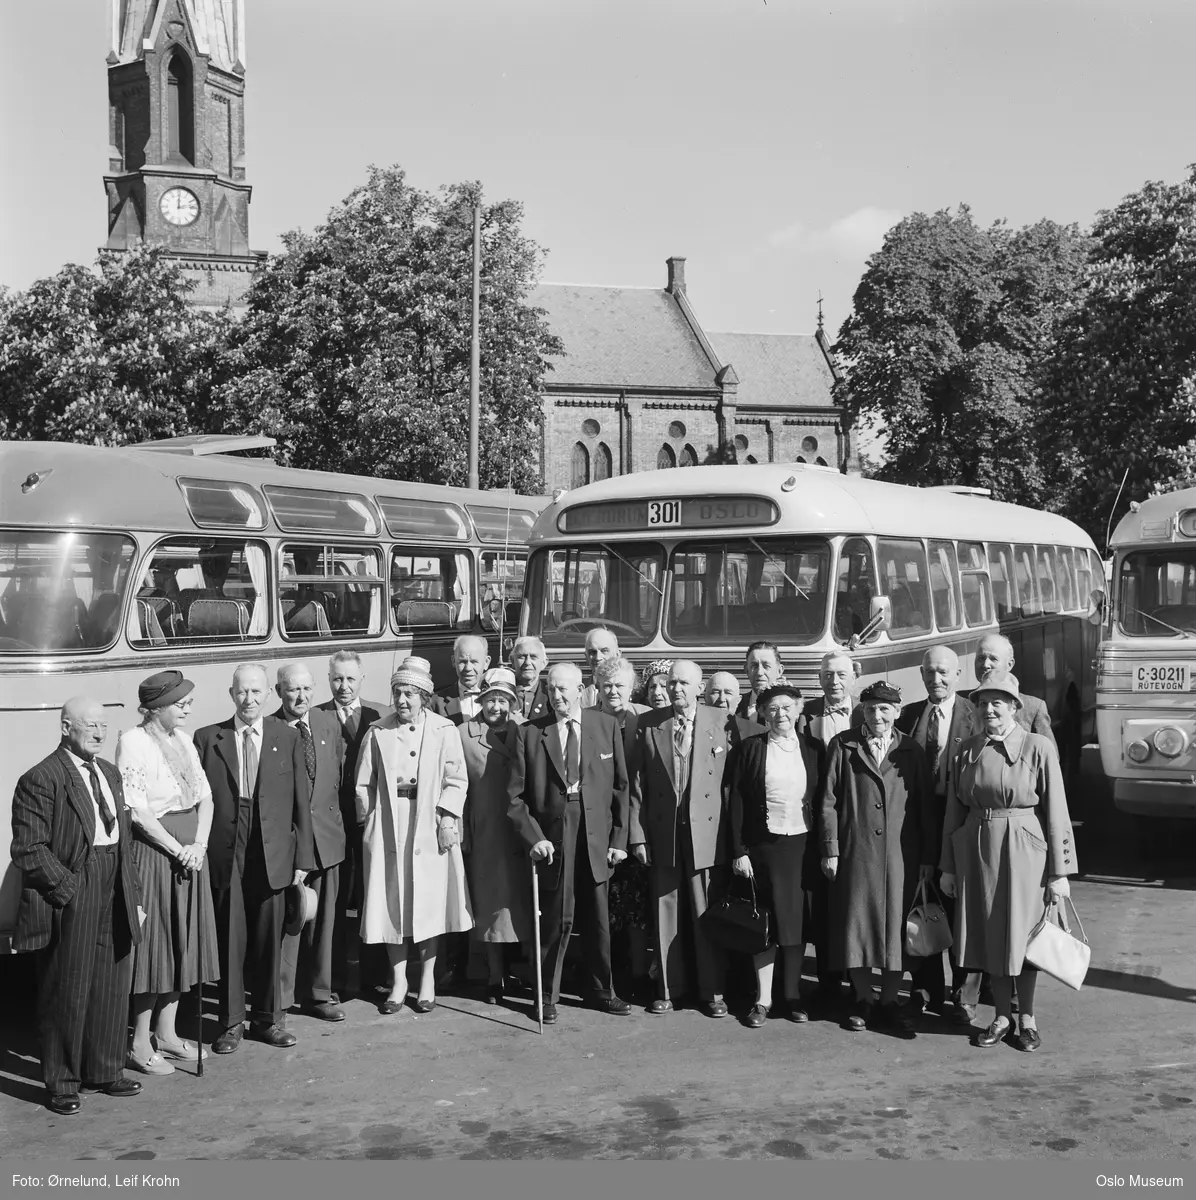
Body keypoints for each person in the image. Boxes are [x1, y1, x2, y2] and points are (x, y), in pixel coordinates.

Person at [11, 697, 145, 1114]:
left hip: (114, 882)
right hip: (75, 884)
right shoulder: (41, 777)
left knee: (111, 982)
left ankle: (104, 1070)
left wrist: (133, 894)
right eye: (90, 726)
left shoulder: (109, 772)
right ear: (66, 727)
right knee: (67, 985)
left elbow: (123, 840)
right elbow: (28, 849)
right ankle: (63, 1081)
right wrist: (68, 890)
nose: (100, 733)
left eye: (104, 726)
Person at [940, 672, 1077, 1053]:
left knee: (1025, 935)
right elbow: (953, 812)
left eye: (997, 702)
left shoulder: (1038, 748)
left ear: (1015, 706)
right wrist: (947, 866)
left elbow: (1057, 812)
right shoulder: (965, 749)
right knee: (989, 935)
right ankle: (1001, 1015)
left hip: (1026, 851)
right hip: (977, 851)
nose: (989, 709)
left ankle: (1027, 1018)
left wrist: (1060, 872)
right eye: (983, 703)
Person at [194, 664, 314, 1053]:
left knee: (269, 940)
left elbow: (301, 803)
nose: (249, 700)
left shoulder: (286, 736)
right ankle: (230, 1023)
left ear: (268, 695)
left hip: (273, 851)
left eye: (257, 692)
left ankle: (268, 1019)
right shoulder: (208, 738)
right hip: (228, 849)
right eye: (242, 692)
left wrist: (303, 858)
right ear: (232, 695)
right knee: (230, 938)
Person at [507, 662, 632, 1023]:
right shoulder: (529, 733)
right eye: (552, 690)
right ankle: (546, 995)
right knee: (557, 919)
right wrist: (534, 838)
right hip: (553, 836)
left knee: (598, 917)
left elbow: (621, 788)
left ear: (582, 690)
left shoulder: (606, 726)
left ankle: (600, 990)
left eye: (565, 689)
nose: (558, 696)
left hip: (596, 832)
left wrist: (619, 839)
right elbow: (515, 799)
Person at [356, 656, 473, 1015]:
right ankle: (399, 982)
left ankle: (427, 980)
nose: (402, 701)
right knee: (393, 902)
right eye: (397, 693)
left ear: (424, 696)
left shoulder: (443, 730)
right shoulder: (378, 731)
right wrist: (371, 822)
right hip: (391, 823)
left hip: (431, 823)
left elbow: (456, 779)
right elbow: (364, 783)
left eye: (409, 694)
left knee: (428, 904)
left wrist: (448, 820)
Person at [818, 681, 935, 1039]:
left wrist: (928, 859)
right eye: (870, 709)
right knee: (859, 925)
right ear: (862, 711)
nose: (877, 716)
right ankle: (863, 998)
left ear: (897, 712)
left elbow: (925, 809)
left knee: (896, 931)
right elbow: (827, 801)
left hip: (901, 856)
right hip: (858, 852)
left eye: (885, 709)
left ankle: (888, 1001)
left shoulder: (911, 751)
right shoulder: (844, 744)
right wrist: (831, 848)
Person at [116, 671, 220, 1076]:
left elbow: (206, 797)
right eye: (181, 702)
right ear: (157, 708)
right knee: (155, 946)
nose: (188, 708)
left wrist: (200, 846)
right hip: (159, 854)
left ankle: (168, 1033)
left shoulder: (182, 740)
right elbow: (138, 811)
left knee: (183, 942)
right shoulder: (134, 742)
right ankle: (139, 1044)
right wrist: (179, 850)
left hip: (191, 852)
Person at [630, 661, 735, 1019]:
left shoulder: (721, 722)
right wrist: (638, 836)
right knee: (666, 912)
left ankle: (713, 992)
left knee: (705, 912)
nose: (676, 689)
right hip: (663, 831)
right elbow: (636, 786)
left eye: (683, 683)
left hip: (706, 833)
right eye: (672, 682)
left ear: (698, 687)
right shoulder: (649, 723)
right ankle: (668, 989)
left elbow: (730, 786)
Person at [896, 647, 982, 1023]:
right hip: (917, 828)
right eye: (930, 672)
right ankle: (925, 989)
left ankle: (964, 996)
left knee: (964, 914)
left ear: (958, 674)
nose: (937, 679)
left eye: (944, 672)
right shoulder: (909, 715)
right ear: (921, 673)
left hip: (962, 828)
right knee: (922, 905)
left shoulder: (976, 716)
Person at [726, 684, 817, 1027]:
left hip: (801, 848)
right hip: (762, 849)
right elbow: (735, 801)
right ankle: (762, 999)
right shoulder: (750, 749)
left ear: (798, 710)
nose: (781, 714)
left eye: (787, 707)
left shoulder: (813, 749)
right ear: (763, 713)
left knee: (794, 928)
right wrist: (739, 851)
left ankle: (792, 995)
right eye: (773, 709)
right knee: (763, 927)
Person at [276, 663, 346, 1023]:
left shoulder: (327, 723)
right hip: (290, 846)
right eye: (292, 690)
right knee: (292, 922)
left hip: (328, 839)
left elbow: (338, 777)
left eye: (306, 689)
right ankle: (281, 1000)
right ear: (279, 693)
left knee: (325, 923)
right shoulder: (272, 730)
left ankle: (319, 993)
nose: (300, 697)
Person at [458, 667, 533, 1004]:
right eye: (490, 699)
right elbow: (455, 785)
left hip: (520, 831)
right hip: (485, 830)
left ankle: (526, 973)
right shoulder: (462, 733)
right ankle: (494, 977)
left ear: (513, 703)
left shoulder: (527, 731)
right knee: (489, 906)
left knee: (523, 903)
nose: (496, 707)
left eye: (503, 700)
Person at [795, 650, 860, 1009]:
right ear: (819, 679)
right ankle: (828, 983)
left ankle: (860, 980)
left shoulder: (869, 712)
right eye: (827, 675)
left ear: (853, 677)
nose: (834, 681)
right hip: (822, 819)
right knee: (824, 903)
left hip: (863, 820)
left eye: (840, 674)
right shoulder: (806, 717)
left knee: (857, 899)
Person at [318, 650, 383, 998]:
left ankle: (374, 976)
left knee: (372, 896)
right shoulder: (316, 717)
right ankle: (338, 979)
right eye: (337, 679)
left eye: (350, 679)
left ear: (361, 680)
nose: (344, 686)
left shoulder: (379, 715)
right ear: (329, 680)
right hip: (331, 824)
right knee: (337, 902)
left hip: (370, 820)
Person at [594, 655, 653, 993]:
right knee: (605, 903)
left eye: (620, 685)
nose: (613, 691)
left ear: (632, 689)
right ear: (597, 688)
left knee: (637, 905)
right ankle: (607, 973)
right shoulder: (587, 720)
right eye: (607, 686)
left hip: (637, 821)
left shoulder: (645, 720)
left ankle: (639, 973)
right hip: (600, 824)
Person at [974, 635, 1056, 747]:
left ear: (1010, 664)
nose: (985, 665)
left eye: (993, 659)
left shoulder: (1033, 708)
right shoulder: (961, 704)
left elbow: (1049, 756)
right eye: (981, 658)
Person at [435, 634, 492, 726]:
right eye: (462, 661)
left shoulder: (502, 700)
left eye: (474, 662)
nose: (468, 668)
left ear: (486, 662)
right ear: (454, 661)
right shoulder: (437, 703)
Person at [735, 642, 786, 725]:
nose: (759, 672)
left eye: (766, 666)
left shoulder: (792, 710)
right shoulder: (735, 707)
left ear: (779, 671)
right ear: (746, 670)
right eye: (754, 666)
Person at [511, 636, 552, 721]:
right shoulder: (502, 692)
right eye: (522, 657)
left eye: (533, 657)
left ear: (544, 663)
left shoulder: (552, 694)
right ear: (512, 661)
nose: (527, 662)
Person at [581, 627, 620, 707]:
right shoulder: (577, 692)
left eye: (604, 651)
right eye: (592, 652)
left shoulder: (632, 692)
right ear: (586, 657)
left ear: (617, 655)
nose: (598, 657)